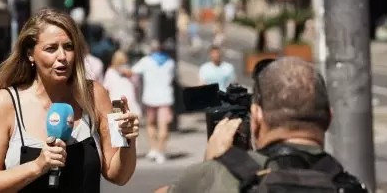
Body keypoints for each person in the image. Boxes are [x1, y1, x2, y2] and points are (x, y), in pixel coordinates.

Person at [0, 8, 139, 193]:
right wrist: (37, 166)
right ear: (30, 54)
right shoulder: (4, 103)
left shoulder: (94, 94)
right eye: (51, 48)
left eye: (68, 47)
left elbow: (119, 176)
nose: (62, 57)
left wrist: (127, 140)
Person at [155, 57, 367, 193]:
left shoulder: (221, 176)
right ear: (329, 119)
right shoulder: (350, 185)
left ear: (256, 117)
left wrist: (212, 166)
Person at [126, 41, 176, 164]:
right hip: (165, 97)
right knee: (163, 125)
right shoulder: (170, 62)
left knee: (151, 124)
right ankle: (161, 151)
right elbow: (172, 78)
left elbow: (132, 71)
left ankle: (153, 148)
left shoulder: (146, 61)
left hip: (150, 97)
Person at [103, 50, 142, 117]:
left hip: (125, 101)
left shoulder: (129, 72)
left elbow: (106, 88)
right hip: (118, 102)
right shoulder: (111, 72)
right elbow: (106, 89)